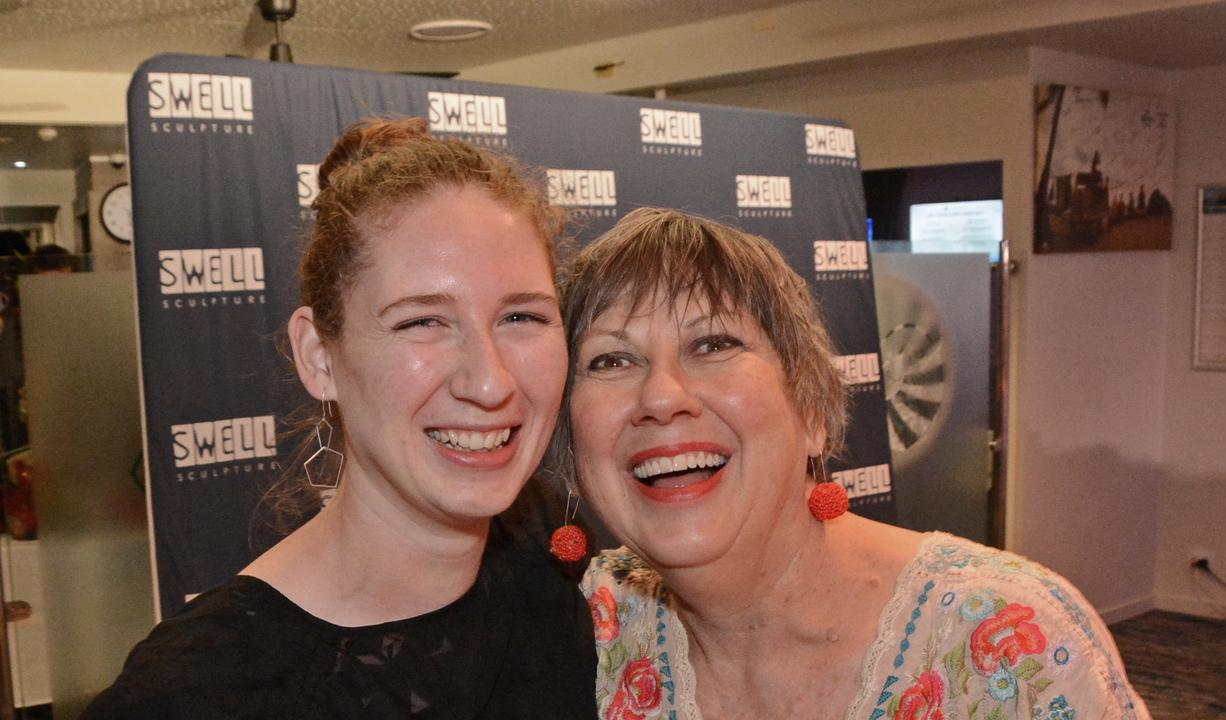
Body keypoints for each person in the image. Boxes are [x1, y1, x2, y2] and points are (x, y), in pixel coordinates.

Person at [84, 118, 597, 719]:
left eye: (522, 318)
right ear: (318, 356)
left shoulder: (562, 575)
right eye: (421, 321)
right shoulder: (199, 691)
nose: (489, 382)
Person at [556, 208, 1149, 720]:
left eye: (712, 345)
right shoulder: (587, 630)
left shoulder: (1010, 637)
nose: (661, 397)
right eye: (610, 361)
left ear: (812, 409)